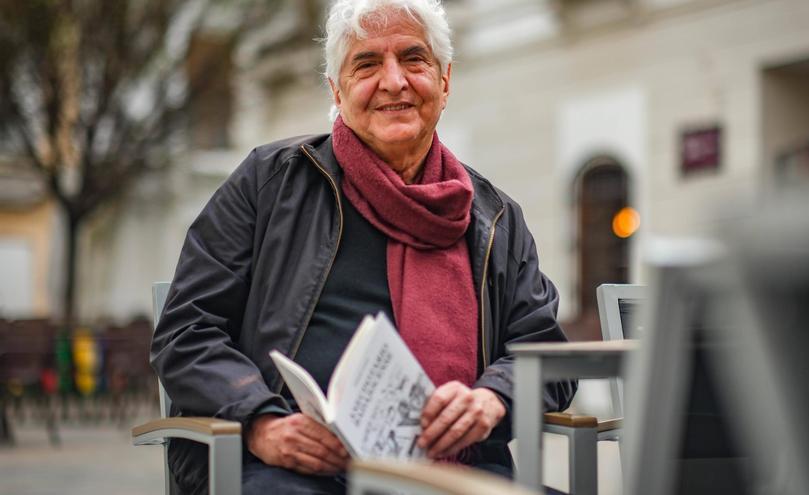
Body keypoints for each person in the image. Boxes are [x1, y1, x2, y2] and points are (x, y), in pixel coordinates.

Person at [151, 0, 576, 493]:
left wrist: (495, 397)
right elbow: (186, 330)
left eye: (413, 60)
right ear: (337, 89)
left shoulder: (496, 218)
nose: (393, 81)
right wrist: (260, 423)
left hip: (458, 474)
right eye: (367, 64)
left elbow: (548, 357)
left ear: (444, 81)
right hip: (290, 469)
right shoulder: (269, 182)